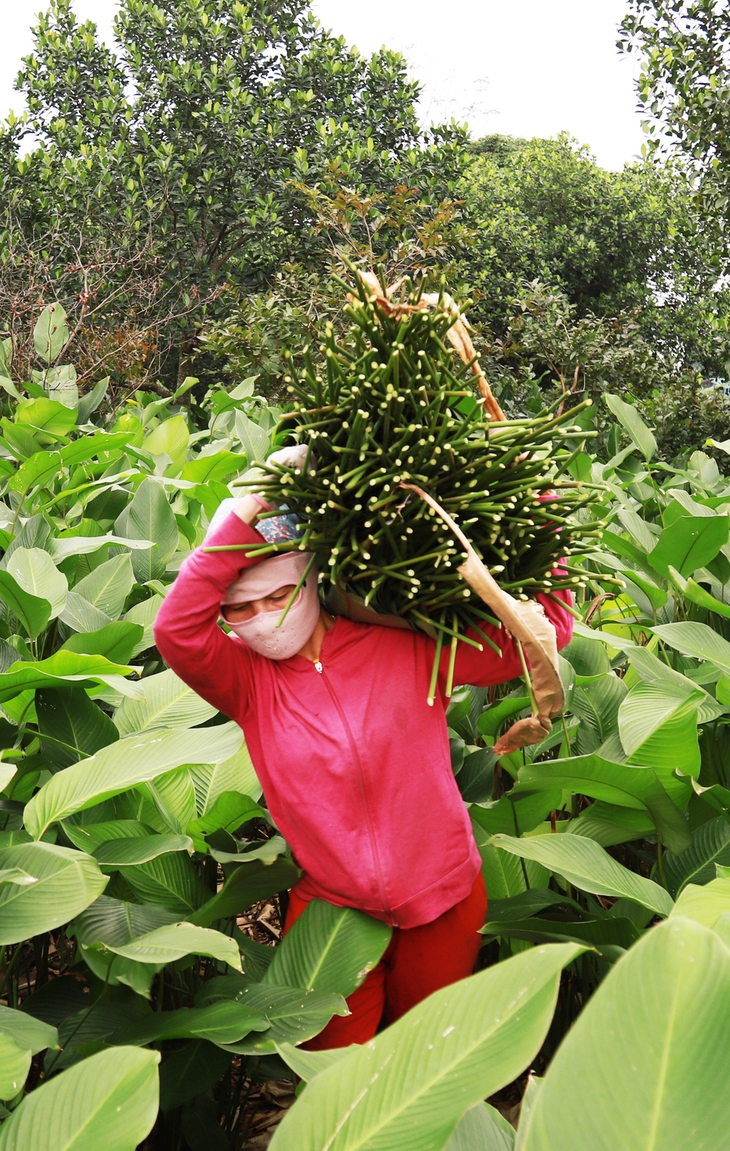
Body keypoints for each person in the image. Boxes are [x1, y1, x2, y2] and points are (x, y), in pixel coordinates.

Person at [152, 448, 573, 1048]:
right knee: (335, 1085)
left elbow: (541, 638)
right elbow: (175, 629)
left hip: (445, 898)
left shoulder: (404, 647)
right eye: (238, 609)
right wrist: (251, 512)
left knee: (427, 1060)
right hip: (332, 912)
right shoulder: (245, 681)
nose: (261, 619)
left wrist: (544, 524)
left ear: (308, 583)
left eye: (275, 597)